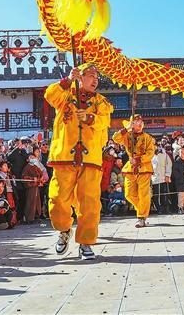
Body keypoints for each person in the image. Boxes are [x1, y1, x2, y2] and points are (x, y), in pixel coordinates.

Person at [45, 63, 113, 260]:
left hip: (90, 158)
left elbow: (105, 123)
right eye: (90, 75)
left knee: (90, 203)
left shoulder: (101, 102)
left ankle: (86, 242)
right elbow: (50, 96)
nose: (95, 80)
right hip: (64, 156)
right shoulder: (65, 94)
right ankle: (64, 229)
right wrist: (67, 80)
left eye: (97, 77)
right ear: (80, 77)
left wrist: (90, 118)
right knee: (57, 199)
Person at [112, 114, 155, 227]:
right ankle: (142, 210)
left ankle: (141, 217)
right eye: (136, 122)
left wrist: (139, 159)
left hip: (144, 168)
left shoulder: (148, 137)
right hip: (131, 168)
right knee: (129, 194)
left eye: (141, 122)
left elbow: (151, 153)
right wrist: (126, 129)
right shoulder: (127, 135)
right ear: (132, 124)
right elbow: (115, 138)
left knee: (143, 194)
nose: (140, 124)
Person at [151, 144, 173, 215]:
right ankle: (159, 209)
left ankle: (167, 208)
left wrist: (167, 175)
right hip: (154, 178)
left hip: (164, 177)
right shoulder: (149, 154)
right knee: (156, 195)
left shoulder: (164, 153)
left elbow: (168, 165)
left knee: (165, 194)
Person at [172, 146, 184, 214]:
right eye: (181, 152)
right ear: (179, 153)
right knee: (181, 195)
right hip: (180, 181)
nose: (183, 153)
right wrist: (180, 178)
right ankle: (180, 208)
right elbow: (175, 172)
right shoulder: (177, 162)